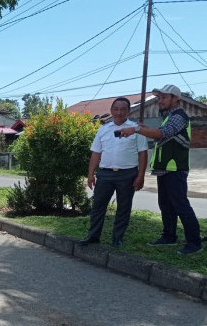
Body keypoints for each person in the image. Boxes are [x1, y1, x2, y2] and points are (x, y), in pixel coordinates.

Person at [119, 84, 202, 254]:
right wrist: (146, 130)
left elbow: (161, 134)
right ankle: (169, 237)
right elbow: (161, 134)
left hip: (175, 170)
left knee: (181, 205)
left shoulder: (179, 116)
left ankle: (194, 242)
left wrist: (137, 129)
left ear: (175, 99)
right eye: (159, 98)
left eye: (164, 97)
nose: (160, 101)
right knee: (166, 205)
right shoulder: (168, 118)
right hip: (164, 169)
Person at [79, 97, 148, 248]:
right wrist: (91, 174)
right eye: (116, 109)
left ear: (128, 111)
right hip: (105, 174)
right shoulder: (103, 130)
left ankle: (118, 238)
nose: (119, 112)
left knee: (123, 208)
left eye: (123, 109)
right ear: (111, 111)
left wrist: (141, 175)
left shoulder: (136, 129)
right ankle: (93, 236)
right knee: (98, 206)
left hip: (128, 174)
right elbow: (96, 153)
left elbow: (143, 153)